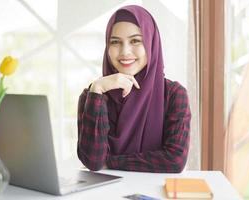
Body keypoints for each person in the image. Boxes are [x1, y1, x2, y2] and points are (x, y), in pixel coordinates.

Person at [77, 5, 191, 173]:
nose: (125, 51)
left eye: (135, 41)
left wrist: (111, 162)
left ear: (151, 42)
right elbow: (93, 161)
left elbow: (175, 161)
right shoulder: (93, 96)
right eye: (115, 42)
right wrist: (98, 89)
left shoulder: (174, 95)